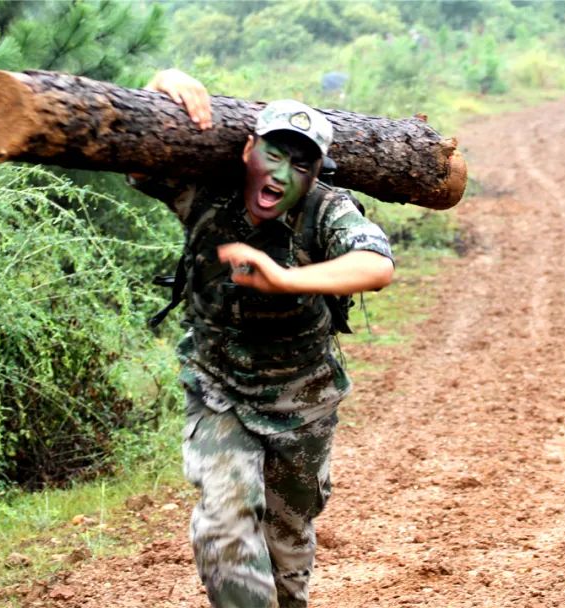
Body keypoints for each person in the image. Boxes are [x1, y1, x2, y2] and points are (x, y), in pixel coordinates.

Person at [131, 69, 394, 607]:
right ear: (248, 149)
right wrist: (164, 81)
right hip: (219, 389)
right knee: (225, 528)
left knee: (285, 558)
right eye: (273, 153)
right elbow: (138, 152)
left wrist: (286, 279)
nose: (283, 172)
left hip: (303, 402)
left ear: (316, 172)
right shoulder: (204, 189)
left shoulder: (325, 208)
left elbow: (376, 263)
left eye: (302, 164)